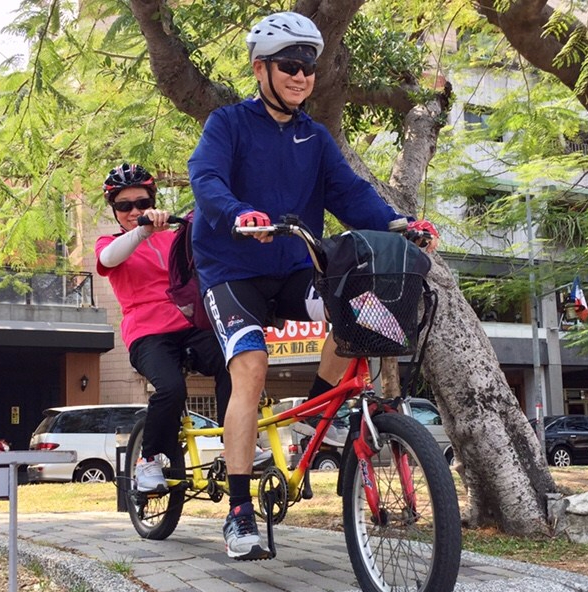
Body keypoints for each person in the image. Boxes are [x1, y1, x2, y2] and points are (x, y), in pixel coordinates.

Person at [187, 11, 439, 560]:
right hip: (231, 270)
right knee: (250, 368)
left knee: (363, 315)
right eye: (290, 65)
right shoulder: (227, 124)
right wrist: (238, 213)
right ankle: (237, 512)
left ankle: (312, 423)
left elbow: (349, 193)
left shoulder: (314, 136)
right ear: (261, 69)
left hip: (296, 263)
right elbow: (205, 178)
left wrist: (398, 224)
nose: (302, 76)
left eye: (309, 67)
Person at [95, 163, 232, 493]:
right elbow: (110, 259)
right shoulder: (109, 242)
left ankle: (237, 445)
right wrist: (142, 230)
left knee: (237, 364)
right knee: (171, 389)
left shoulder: (175, 238)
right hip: (148, 335)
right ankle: (148, 460)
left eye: (142, 204)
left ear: (153, 202)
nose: (134, 211)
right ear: (114, 210)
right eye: (124, 206)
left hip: (191, 324)